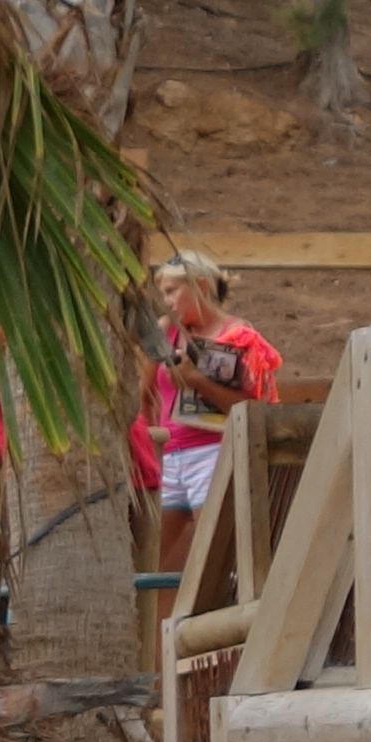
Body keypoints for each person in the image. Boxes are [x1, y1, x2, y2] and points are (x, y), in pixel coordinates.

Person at [130, 252, 277, 588]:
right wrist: (147, 447)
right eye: (163, 294)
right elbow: (144, 393)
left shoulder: (238, 334)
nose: (166, 302)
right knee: (146, 558)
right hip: (169, 455)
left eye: (172, 292)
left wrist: (196, 381)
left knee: (213, 555)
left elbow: (254, 406)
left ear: (199, 287)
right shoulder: (165, 331)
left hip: (213, 451)